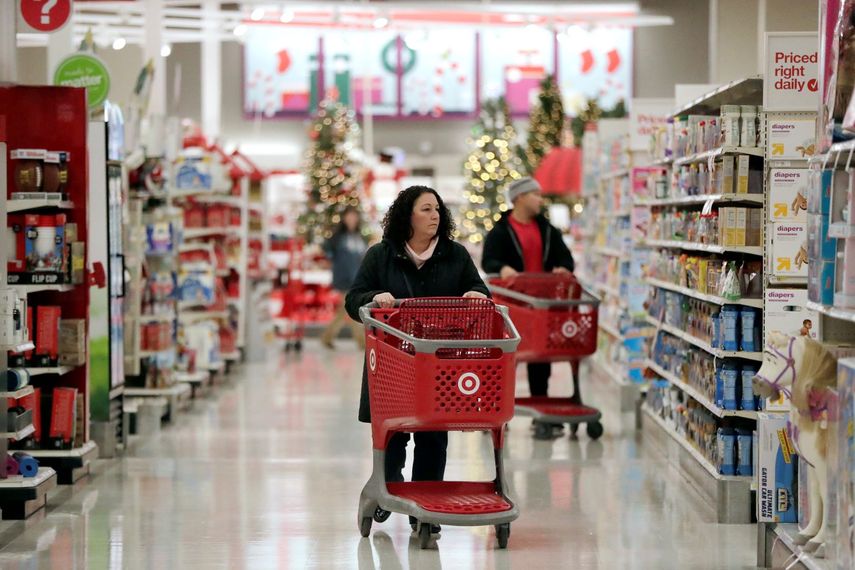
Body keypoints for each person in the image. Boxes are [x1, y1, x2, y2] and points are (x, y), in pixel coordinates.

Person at [345, 185, 489, 533]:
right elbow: (353, 299)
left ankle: (426, 507)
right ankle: (390, 487)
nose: (434, 215)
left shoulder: (455, 255)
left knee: (433, 435)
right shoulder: (381, 256)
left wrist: (476, 294)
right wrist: (373, 297)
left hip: (440, 363)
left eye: (437, 209)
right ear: (407, 215)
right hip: (394, 362)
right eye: (426, 209)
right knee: (393, 433)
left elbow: (480, 290)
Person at [482, 177, 576, 421]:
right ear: (520, 197)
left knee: (540, 356)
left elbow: (566, 258)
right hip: (513, 304)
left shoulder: (546, 229)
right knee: (508, 358)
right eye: (536, 194)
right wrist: (502, 268)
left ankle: (541, 410)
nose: (540, 199)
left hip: (542, 304)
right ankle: (497, 408)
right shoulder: (501, 231)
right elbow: (488, 260)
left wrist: (563, 268)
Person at [321, 207, 368, 349]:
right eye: (349, 216)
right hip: (344, 279)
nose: (352, 219)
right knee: (350, 309)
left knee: (344, 311)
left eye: (354, 217)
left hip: (356, 279)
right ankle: (362, 342)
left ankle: (327, 337)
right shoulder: (338, 237)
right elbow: (327, 252)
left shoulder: (359, 237)